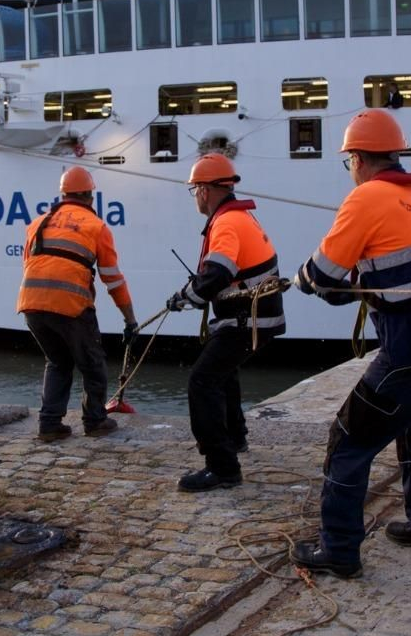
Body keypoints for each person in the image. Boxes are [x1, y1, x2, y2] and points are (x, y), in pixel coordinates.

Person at [290, 110, 411, 579]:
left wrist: (304, 279)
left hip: (410, 350)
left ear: (357, 158)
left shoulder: (365, 197)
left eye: (349, 159)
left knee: (348, 441)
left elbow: (325, 274)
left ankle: (339, 550)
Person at [165, 154, 285, 491]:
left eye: (195, 191)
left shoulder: (227, 223)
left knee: (201, 383)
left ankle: (222, 467)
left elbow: (217, 272)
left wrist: (186, 297)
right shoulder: (240, 217)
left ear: (203, 190)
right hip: (257, 318)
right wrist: (196, 292)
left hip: (245, 320)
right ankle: (235, 438)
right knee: (223, 374)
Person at [17, 166, 139, 442]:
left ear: (63, 195)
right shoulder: (96, 227)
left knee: (57, 361)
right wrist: (130, 319)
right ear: (89, 197)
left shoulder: (38, 223)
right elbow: (113, 280)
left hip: (31, 303)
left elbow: (30, 263)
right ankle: (95, 421)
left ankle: (49, 425)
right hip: (71, 305)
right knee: (92, 364)